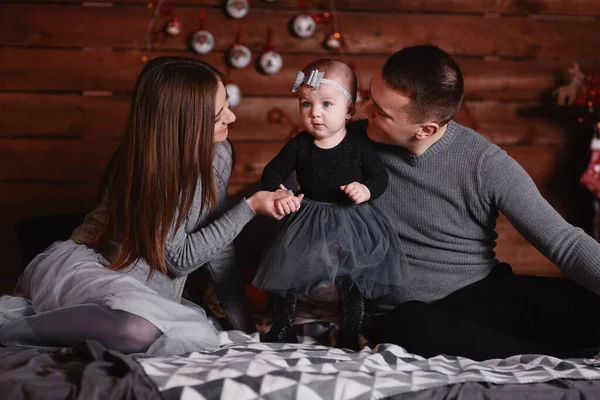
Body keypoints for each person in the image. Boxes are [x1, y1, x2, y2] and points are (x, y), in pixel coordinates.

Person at [0, 56, 301, 356]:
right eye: (218, 114)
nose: (231, 118)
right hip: (97, 277)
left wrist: (243, 325)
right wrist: (249, 207)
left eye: (227, 106)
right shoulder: (153, 166)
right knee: (136, 330)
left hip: (149, 299)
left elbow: (218, 246)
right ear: (183, 124)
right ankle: (8, 332)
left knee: (161, 330)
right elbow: (179, 258)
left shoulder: (219, 152)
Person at [359, 45, 600, 361]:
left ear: (426, 129)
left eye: (380, 111)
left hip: (480, 291)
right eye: (369, 97)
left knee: (588, 307)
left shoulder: (484, 163)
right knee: (409, 327)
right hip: (409, 314)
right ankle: (556, 358)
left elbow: (564, 243)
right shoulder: (347, 145)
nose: (364, 110)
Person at [252, 59, 410, 350]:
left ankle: (350, 331)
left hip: (352, 218)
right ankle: (283, 326)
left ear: (349, 110)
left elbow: (379, 176)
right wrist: (278, 191)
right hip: (307, 212)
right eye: (306, 104)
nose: (315, 114)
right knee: (286, 267)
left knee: (352, 276)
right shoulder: (300, 144)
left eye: (326, 104)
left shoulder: (358, 145)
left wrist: (365, 189)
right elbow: (272, 171)